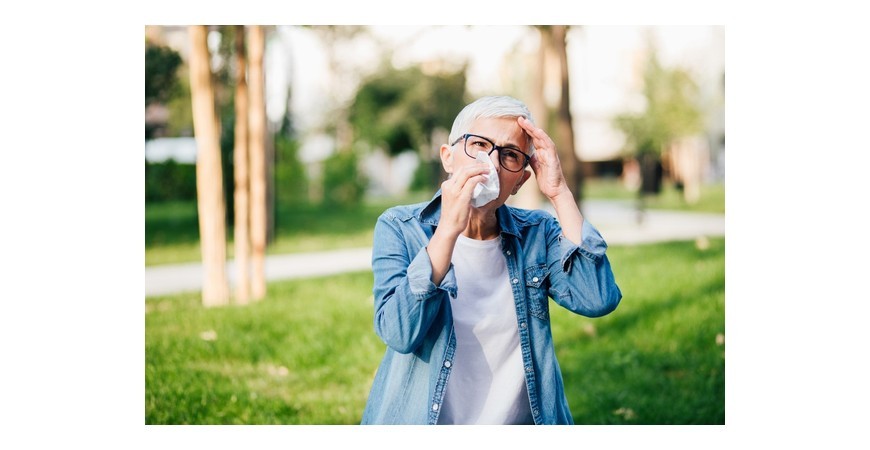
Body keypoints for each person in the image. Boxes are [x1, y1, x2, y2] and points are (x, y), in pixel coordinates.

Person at [361, 96, 622, 425]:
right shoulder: (400, 227)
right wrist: (448, 231)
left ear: (520, 181)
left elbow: (598, 299)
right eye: (480, 145)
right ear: (448, 157)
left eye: (510, 155)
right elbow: (399, 334)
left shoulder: (537, 233)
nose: (492, 164)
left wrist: (559, 192)